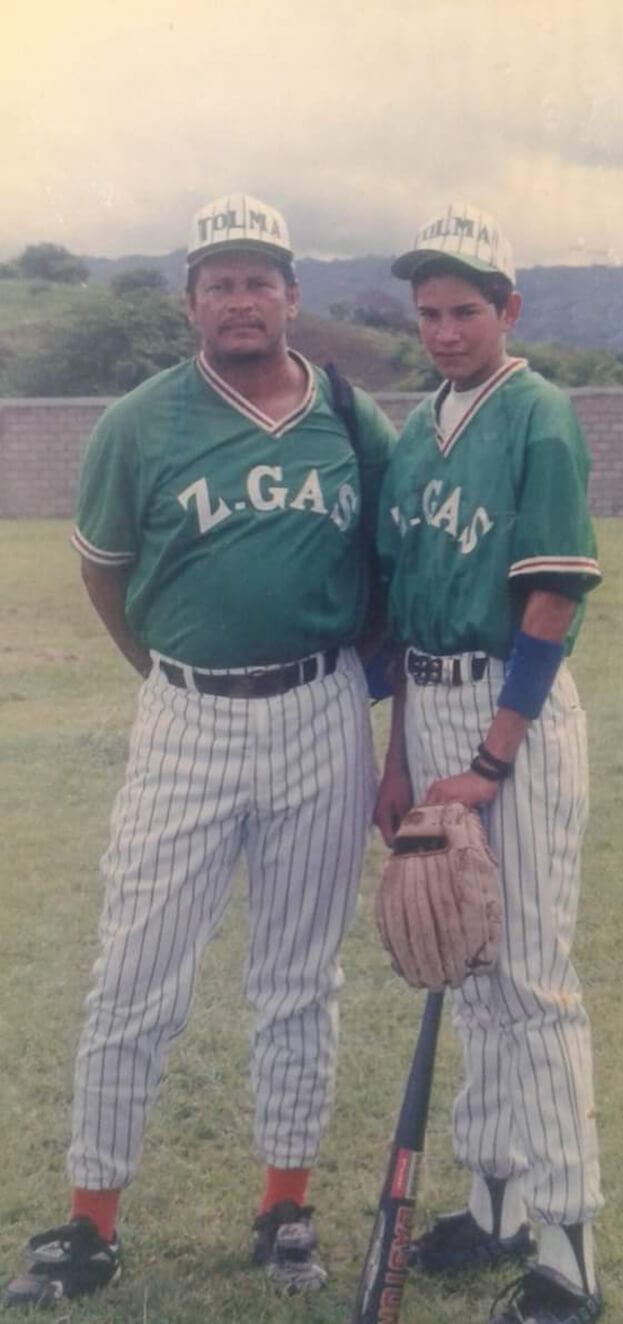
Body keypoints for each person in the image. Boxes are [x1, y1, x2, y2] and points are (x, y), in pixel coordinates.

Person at [2, 193, 395, 1309]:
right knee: (133, 971)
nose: (239, 298)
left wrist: (353, 668)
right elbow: (104, 572)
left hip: (321, 707)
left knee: (298, 976)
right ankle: (90, 1223)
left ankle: (284, 1209)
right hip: (186, 712)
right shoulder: (139, 422)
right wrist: (168, 668)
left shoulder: (349, 415)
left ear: (292, 296)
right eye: (218, 282)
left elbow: (388, 559)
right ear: (190, 304)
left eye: (258, 279)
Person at [373, 203, 604, 1324]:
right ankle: (496, 1201)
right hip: (428, 700)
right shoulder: (418, 428)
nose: (445, 331)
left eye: (465, 310)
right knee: (462, 965)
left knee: (531, 982)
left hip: (511, 704)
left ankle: (567, 1253)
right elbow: (401, 606)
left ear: (509, 309)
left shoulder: (537, 414)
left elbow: (550, 598)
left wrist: (492, 756)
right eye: (428, 313)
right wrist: (398, 758)